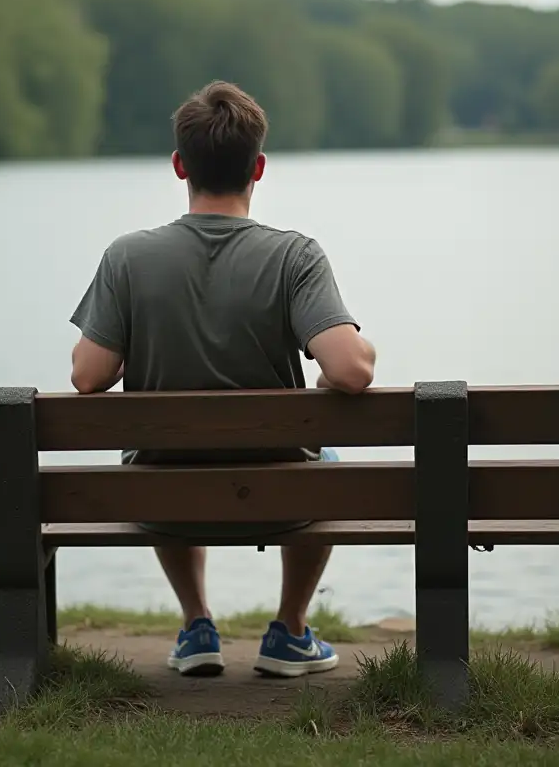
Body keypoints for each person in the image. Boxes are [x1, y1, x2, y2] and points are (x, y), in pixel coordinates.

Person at [69, 80, 376, 679]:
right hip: (283, 496)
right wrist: (361, 344)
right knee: (328, 461)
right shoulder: (296, 256)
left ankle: (196, 624)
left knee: (158, 452)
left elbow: (87, 376)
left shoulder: (127, 257)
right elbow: (348, 369)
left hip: (161, 496)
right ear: (258, 168)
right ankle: (289, 631)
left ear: (180, 164)